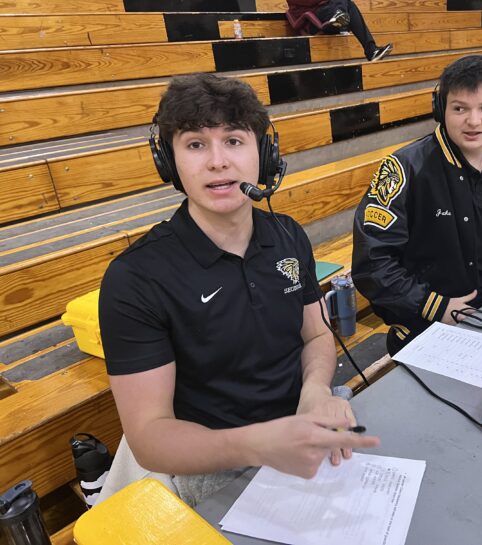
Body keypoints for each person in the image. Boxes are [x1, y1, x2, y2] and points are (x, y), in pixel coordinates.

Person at [97, 73, 379, 505]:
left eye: (233, 140)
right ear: (168, 162)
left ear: (264, 153)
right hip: (217, 460)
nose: (217, 161)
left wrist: (315, 393)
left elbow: (317, 334)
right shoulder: (134, 279)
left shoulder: (287, 234)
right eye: (195, 144)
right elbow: (150, 437)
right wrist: (258, 443)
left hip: (307, 422)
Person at [351, 55, 482, 356]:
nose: (473, 120)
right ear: (440, 108)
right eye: (460, 108)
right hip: (427, 330)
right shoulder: (404, 168)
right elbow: (372, 264)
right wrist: (434, 306)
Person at [286, 0, 393, 61]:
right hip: (312, 17)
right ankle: (340, 18)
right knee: (341, 4)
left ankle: (371, 50)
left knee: (349, 4)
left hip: (328, 9)